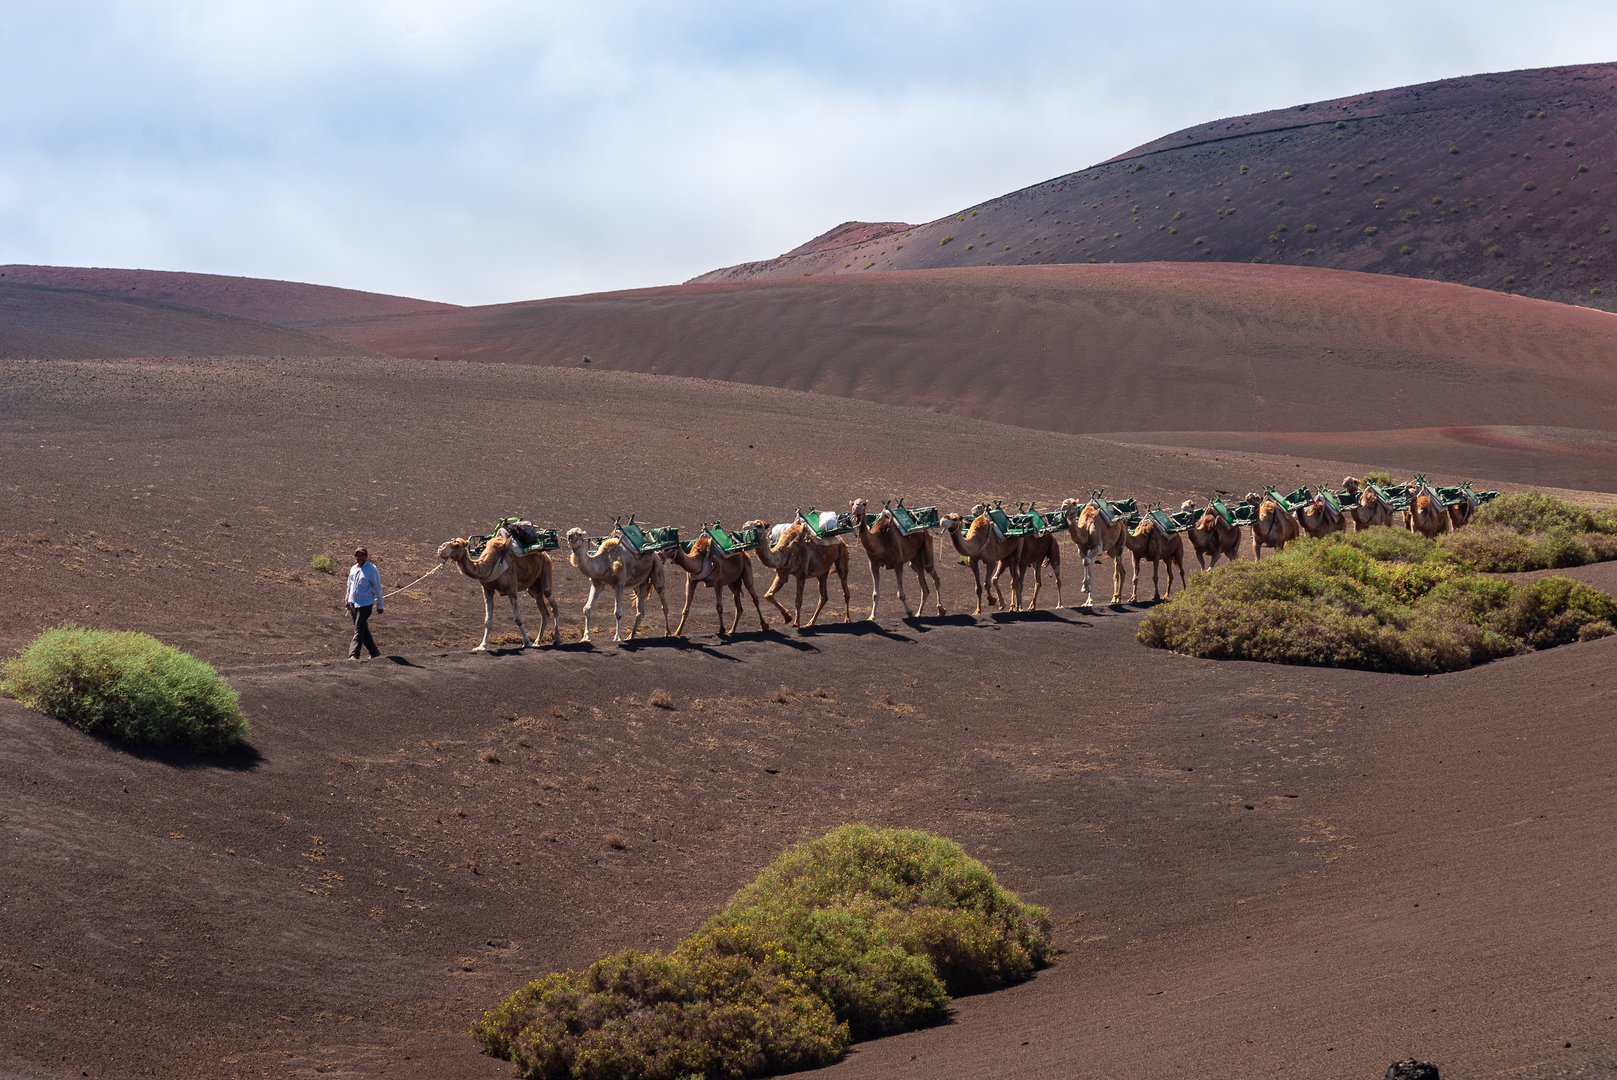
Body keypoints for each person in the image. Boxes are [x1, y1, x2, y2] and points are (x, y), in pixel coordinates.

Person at [345, 547, 384, 660]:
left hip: (365, 604)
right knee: (362, 629)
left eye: (362, 555)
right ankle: (374, 652)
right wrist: (347, 600)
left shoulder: (371, 569)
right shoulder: (353, 568)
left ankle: (354, 654)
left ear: (366, 556)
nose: (359, 558)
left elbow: (377, 587)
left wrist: (380, 605)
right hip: (353, 604)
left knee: (358, 628)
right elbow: (349, 585)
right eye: (357, 555)